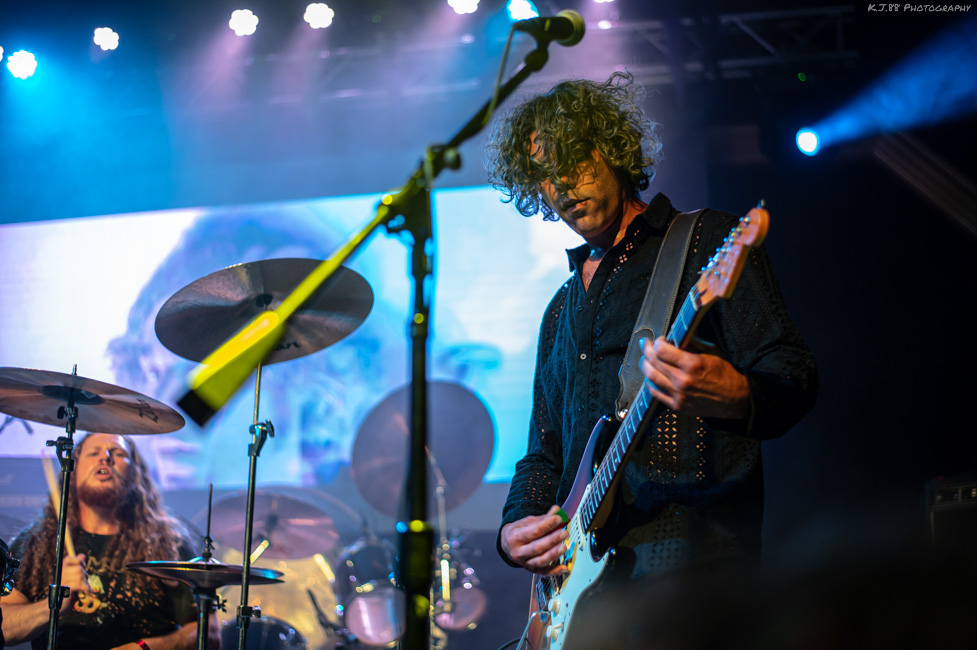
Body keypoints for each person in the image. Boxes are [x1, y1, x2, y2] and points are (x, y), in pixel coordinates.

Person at [485, 71, 818, 637]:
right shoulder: (559, 309)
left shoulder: (704, 242)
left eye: (574, 157)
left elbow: (793, 376)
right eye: (545, 173)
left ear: (613, 150)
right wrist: (514, 528)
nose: (563, 181)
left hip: (692, 573)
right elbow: (544, 453)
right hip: (580, 594)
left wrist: (736, 394)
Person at [0, 432, 218, 649]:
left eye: (118, 453)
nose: (105, 457)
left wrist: (145, 647)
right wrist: (56, 603)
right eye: (93, 453)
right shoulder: (34, 544)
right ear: (73, 471)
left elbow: (209, 635)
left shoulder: (168, 545)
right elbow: (4, 628)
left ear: (135, 474)